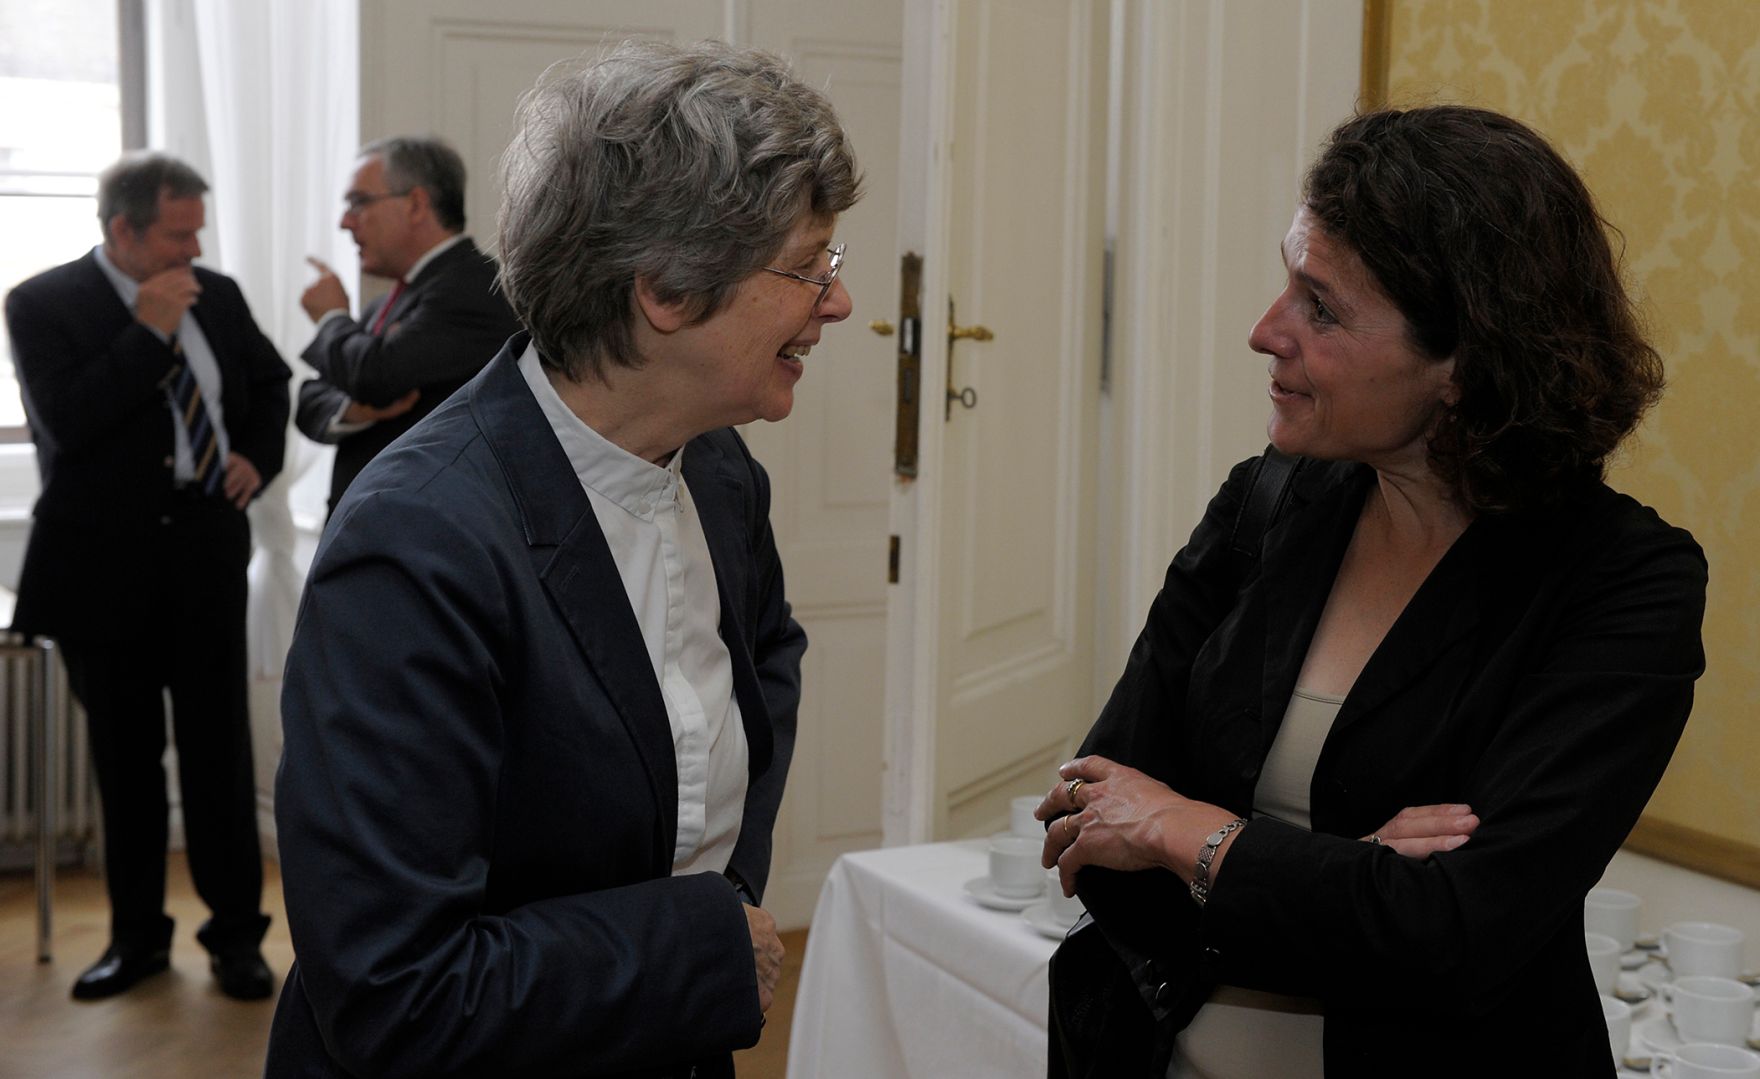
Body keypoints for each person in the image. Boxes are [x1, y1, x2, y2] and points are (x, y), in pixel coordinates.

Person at [1037, 105, 1707, 1078]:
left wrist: (1188, 830)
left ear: (1461, 363)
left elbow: (1459, 937)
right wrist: (1351, 875)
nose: (1266, 331)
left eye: (1320, 306)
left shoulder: (1619, 582)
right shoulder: (1262, 500)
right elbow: (1088, 830)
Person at [265, 40, 858, 1078]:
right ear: (666, 290)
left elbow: (765, 661)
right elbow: (396, 992)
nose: (837, 301)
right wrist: (704, 939)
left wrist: (722, 894)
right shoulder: (414, 545)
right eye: (807, 266)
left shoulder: (719, 470)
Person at [4, 152, 290, 1001]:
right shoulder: (42, 302)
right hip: (102, 569)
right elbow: (69, 422)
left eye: (198, 230)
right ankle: (137, 939)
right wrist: (149, 332)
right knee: (125, 766)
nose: (192, 249)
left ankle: (237, 936)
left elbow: (269, 384)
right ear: (122, 229)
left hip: (203, 554)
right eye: (178, 232)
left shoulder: (219, 293)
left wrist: (256, 457)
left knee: (218, 756)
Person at [295, 135, 522, 516]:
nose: (344, 222)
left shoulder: (475, 287)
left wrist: (332, 318)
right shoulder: (382, 305)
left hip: (428, 527)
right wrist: (354, 410)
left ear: (416, 204)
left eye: (358, 202)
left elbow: (375, 374)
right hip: (371, 521)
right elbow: (309, 400)